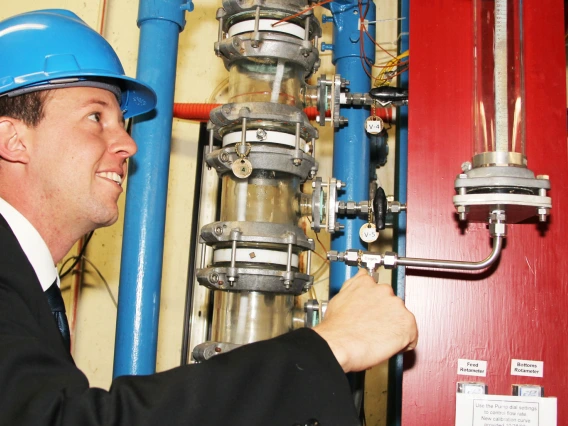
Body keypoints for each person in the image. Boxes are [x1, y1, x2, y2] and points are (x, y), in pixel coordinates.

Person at [0, 9, 418, 426]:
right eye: (96, 117)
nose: (128, 142)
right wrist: (330, 346)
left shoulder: (24, 291)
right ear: (12, 139)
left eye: (120, 122)